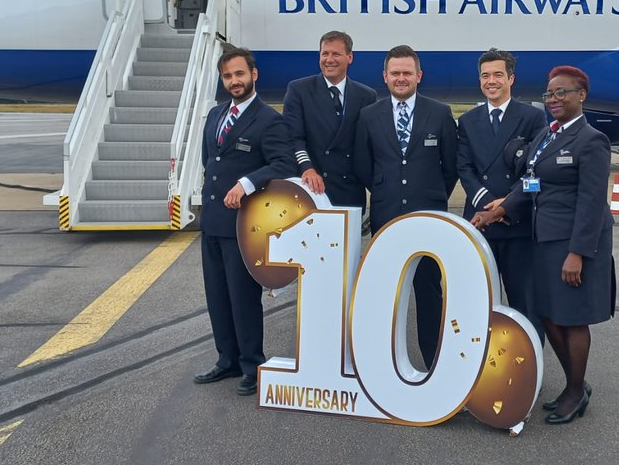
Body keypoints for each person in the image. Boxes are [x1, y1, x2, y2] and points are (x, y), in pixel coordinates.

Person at [471, 65, 614, 424]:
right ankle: (575, 386)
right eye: (549, 94)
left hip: (572, 244)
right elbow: (531, 183)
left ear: (581, 95)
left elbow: (592, 201)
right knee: (550, 317)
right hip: (544, 240)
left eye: (562, 93)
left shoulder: (591, 140)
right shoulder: (547, 137)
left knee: (572, 318)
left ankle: (575, 389)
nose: (554, 100)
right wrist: (498, 209)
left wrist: (578, 254)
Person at [194, 46, 295, 395]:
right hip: (211, 222)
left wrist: (247, 182)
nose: (234, 81)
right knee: (217, 297)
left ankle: (252, 363)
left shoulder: (269, 120)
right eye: (227, 76)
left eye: (239, 74)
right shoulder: (214, 115)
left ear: (254, 75)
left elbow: (284, 164)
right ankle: (227, 359)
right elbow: (211, 161)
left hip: (241, 225)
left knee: (242, 297)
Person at [355, 44, 458, 368]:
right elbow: (363, 164)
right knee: (385, 291)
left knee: (428, 291)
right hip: (387, 216)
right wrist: (385, 192)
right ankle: (383, 363)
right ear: (385, 77)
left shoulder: (440, 113)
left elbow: (450, 166)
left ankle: (433, 359)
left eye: (407, 73)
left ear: (419, 76)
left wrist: (429, 195)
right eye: (395, 73)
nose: (401, 78)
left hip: (428, 217)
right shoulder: (369, 116)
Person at [457, 48, 548, 339]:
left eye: (498, 74)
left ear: (511, 78)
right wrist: (485, 202)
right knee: (478, 303)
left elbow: (537, 175)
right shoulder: (468, 121)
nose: (491, 81)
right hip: (480, 223)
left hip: (518, 225)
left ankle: (531, 373)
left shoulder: (532, 118)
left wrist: (507, 203)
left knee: (526, 305)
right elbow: (464, 167)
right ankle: (482, 369)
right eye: (485, 76)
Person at [282, 30, 378, 207]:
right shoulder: (299, 90)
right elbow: (292, 137)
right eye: (324, 53)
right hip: (311, 188)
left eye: (336, 54)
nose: (329, 59)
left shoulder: (366, 96)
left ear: (350, 57)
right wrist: (307, 168)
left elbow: (368, 145)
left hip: (349, 191)